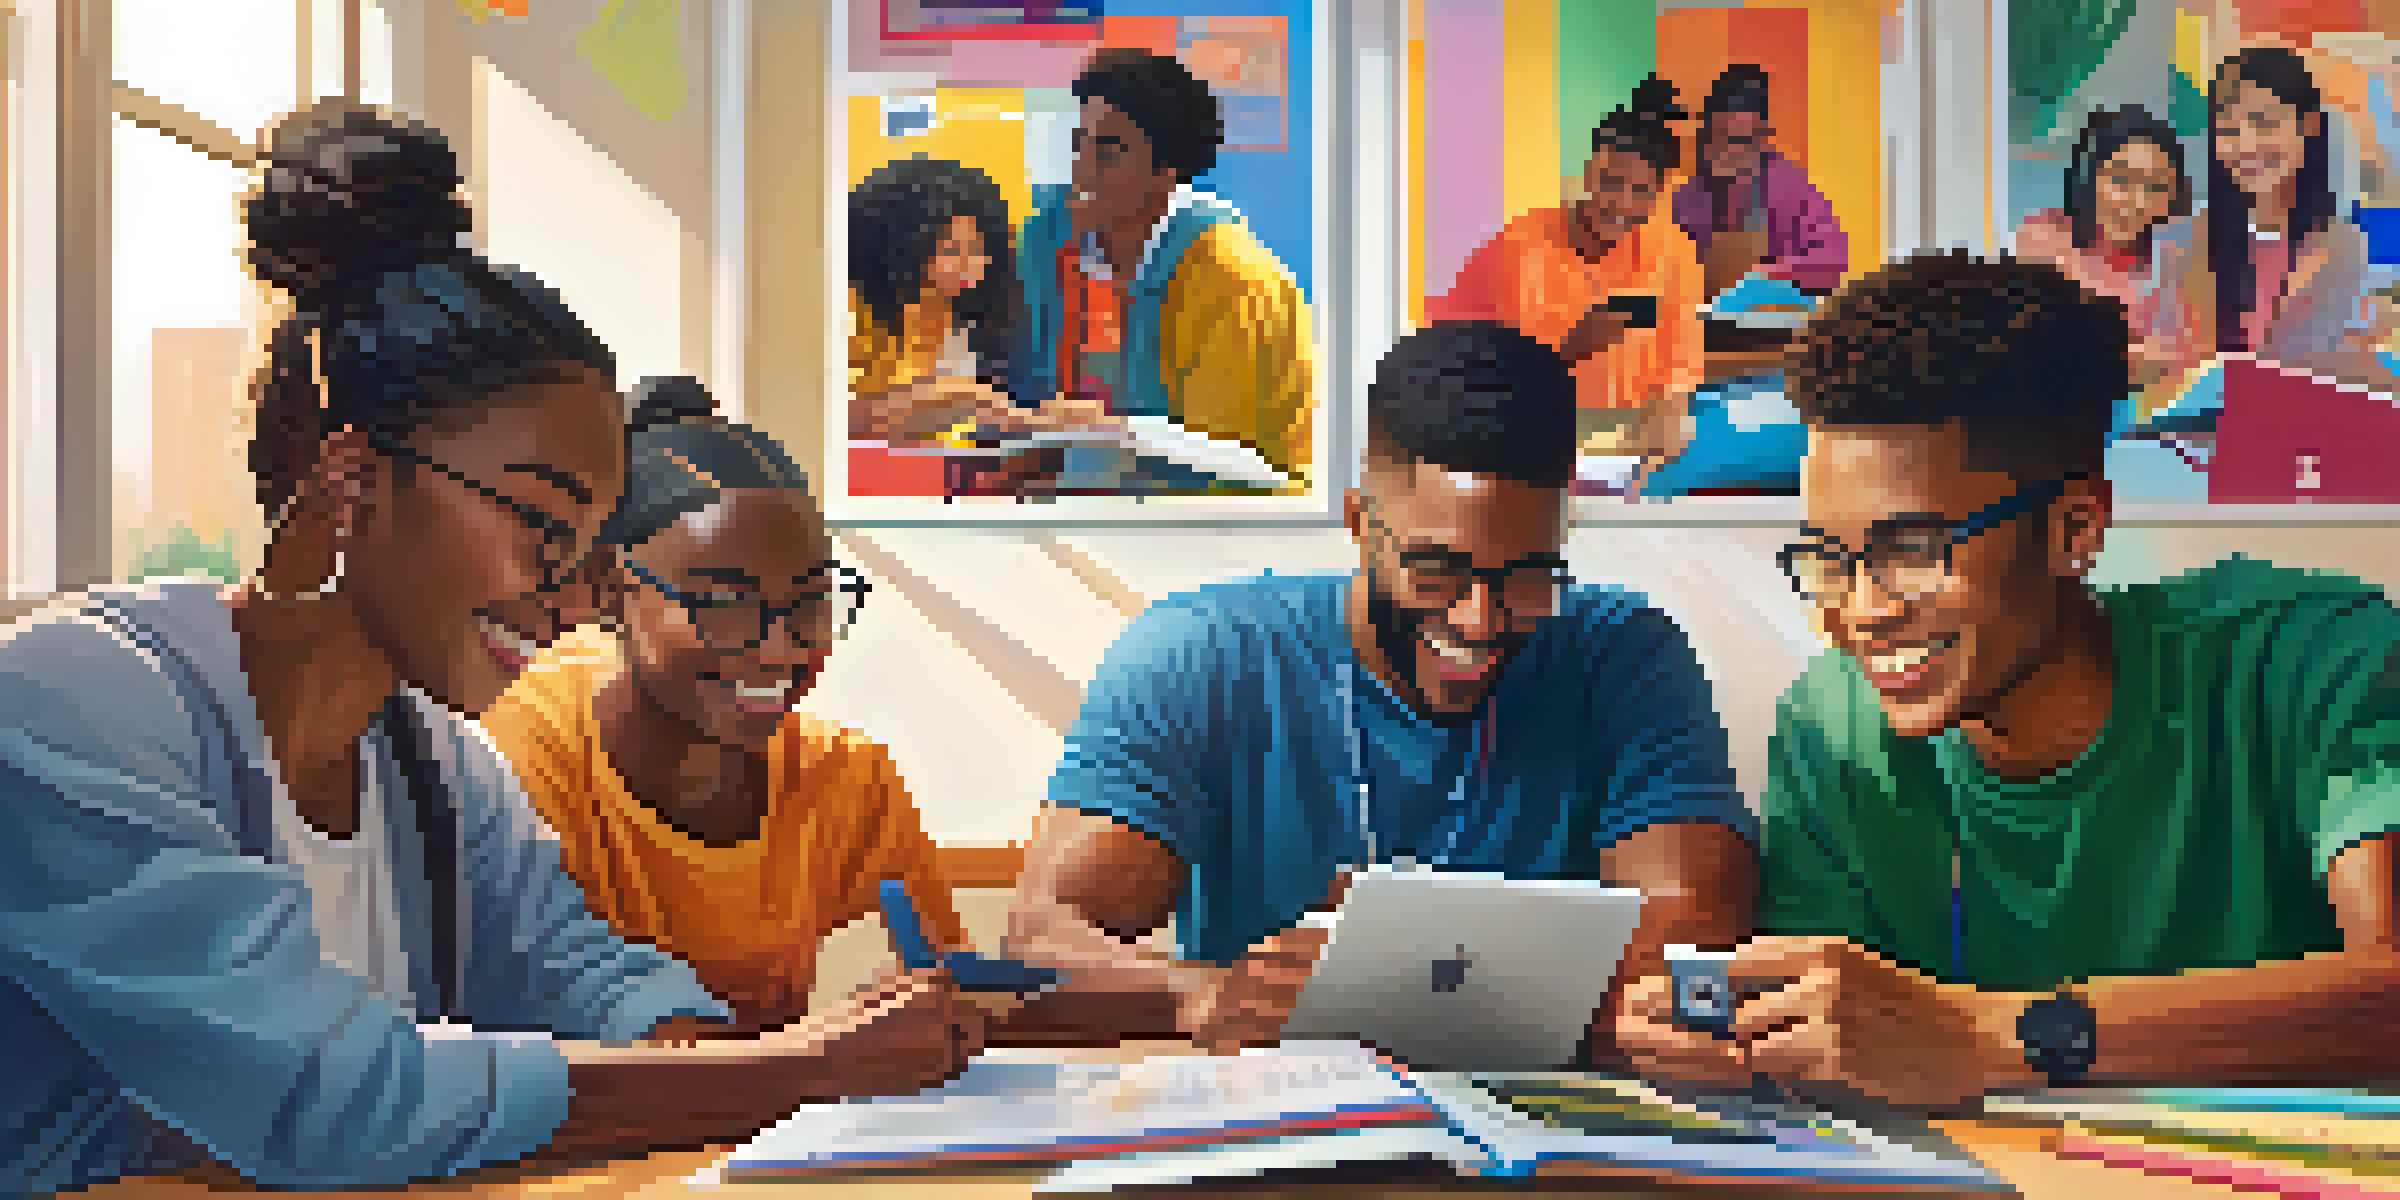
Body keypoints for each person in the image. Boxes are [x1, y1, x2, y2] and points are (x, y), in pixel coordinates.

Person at [0, 102, 980, 1197]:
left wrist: (711, 1049)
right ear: (351, 474)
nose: (573, 598)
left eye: (593, 548)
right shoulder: (70, 710)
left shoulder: (438, 765)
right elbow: (331, 1101)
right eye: (543, 528)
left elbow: (585, 977)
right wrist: (792, 1072)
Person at [1626, 251, 2400, 1109]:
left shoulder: (2309, 660)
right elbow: (1848, 1062)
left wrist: (1997, 1036)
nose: (1858, 612)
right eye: (1829, 560)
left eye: (1912, 552)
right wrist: (1736, 1046)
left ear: (2076, 527)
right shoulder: (1833, 727)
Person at [1007, 321, 1755, 1057]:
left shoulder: (1622, 650)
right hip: (1278, 1120)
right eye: (1438, 571)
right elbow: (1043, 933)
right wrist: (1198, 992)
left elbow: (1698, 926)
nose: (1480, 618)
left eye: (1527, 575)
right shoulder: (1203, 651)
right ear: (1360, 524)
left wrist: (1382, 978)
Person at [481, 409, 972, 1035]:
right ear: (609, 586)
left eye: (810, 605)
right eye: (725, 604)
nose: (778, 647)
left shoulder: (846, 779)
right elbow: (549, 1040)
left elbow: (949, 989)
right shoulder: (517, 756)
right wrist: (818, 1058)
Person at [1013, 47, 1317, 493]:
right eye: (1078, 146)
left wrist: (1101, 435)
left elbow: (1219, 457)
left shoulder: (1230, 278)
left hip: (1237, 518)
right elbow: (1035, 399)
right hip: (1105, 508)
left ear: (1166, 171)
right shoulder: (1050, 241)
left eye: (1108, 153)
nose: (1082, 171)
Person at [1427, 75, 1706, 463]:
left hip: (1620, 441)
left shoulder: (1674, 252)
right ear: (1588, 174)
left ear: (1658, 195)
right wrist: (1574, 345)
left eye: (1640, 192)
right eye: (1610, 182)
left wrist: (1663, 437)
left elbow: (1678, 370)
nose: (1621, 204)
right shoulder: (1525, 246)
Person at [2177, 46, 2396, 387]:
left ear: (2307, 125)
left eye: (2264, 123)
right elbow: (2191, 364)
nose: (2246, 145)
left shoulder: (2338, 245)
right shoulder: (2200, 235)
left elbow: (2305, 365)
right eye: (2229, 131)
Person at [2014, 104, 2197, 396]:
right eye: (2121, 180)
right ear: (2091, 178)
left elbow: (2190, 364)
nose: (2137, 200)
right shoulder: (2046, 238)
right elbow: (2045, 349)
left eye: (2154, 186)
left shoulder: (2178, 260)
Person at [848, 156, 1024, 443]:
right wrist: (956, 401)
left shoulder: (971, 324)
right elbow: (837, 416)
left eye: (978, 249)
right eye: (954, 250)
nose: (970, 264)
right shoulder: (857, 315)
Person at [1669, 64, 1850, 296]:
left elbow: (1831, 260)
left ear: (1762, 139)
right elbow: (1666, 266)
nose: (1727, 150)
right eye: (1718, 136)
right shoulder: (1687, 197)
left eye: (1740, 140)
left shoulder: (1790, 188)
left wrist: (1762, 275)